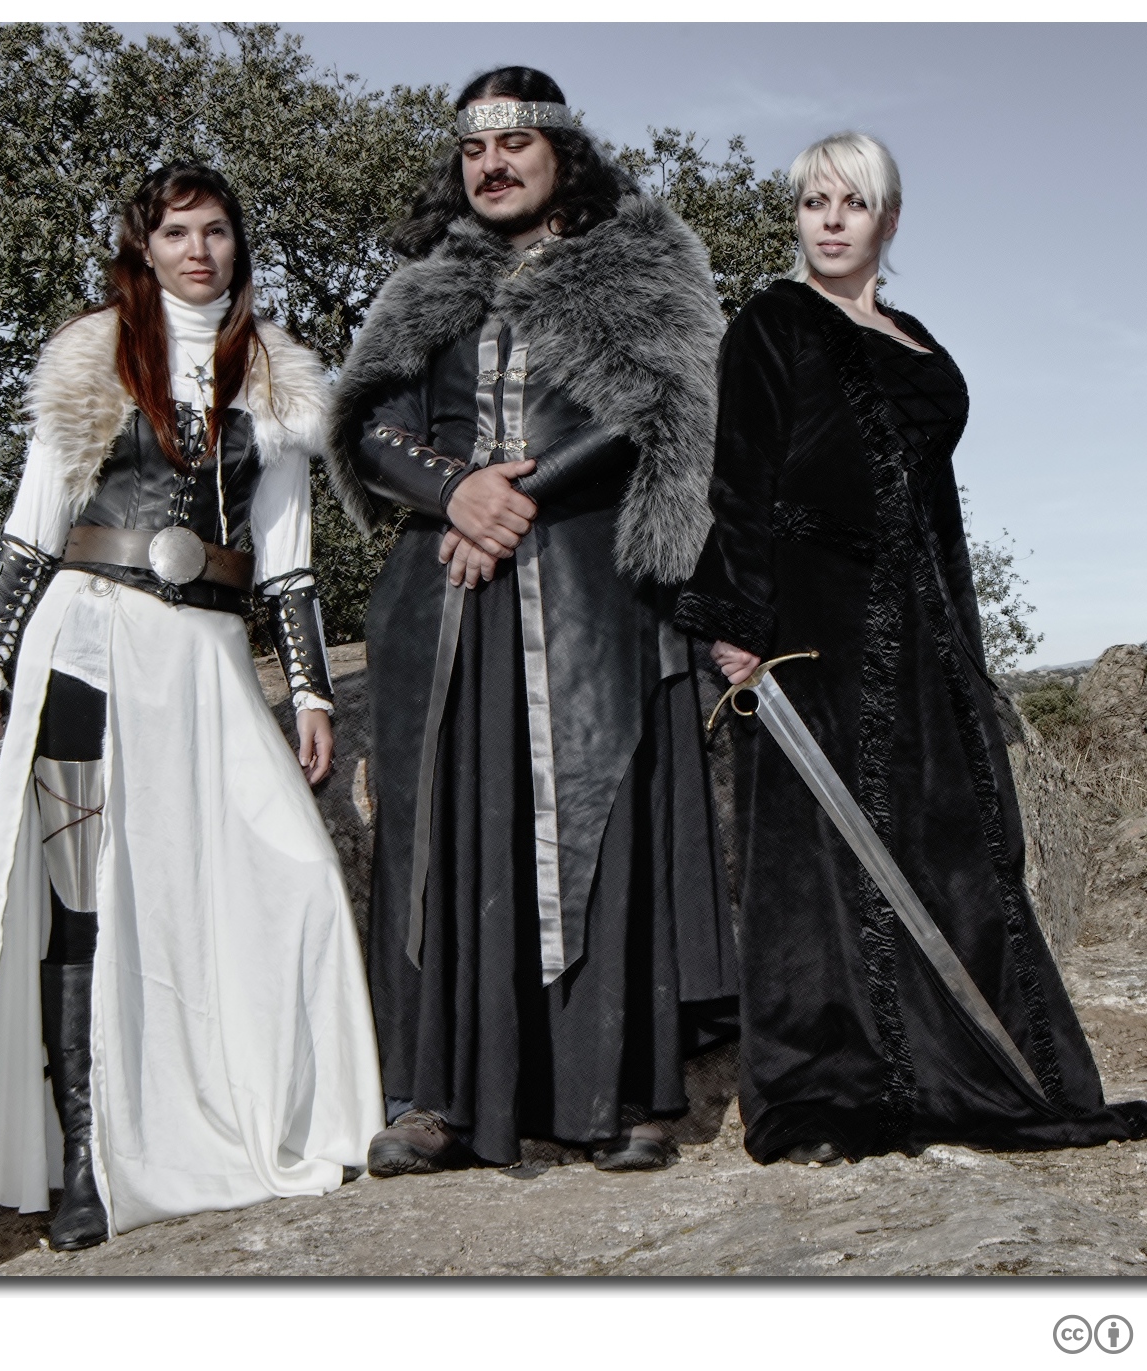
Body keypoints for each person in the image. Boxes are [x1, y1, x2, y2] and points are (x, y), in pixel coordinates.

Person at [0, 163, 384, 1250]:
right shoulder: (90, 358)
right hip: (89, 641)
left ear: (238, 246)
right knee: (82, 898)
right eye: (176, 232)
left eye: (216, 230)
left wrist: (308, 687)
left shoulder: (276, 380)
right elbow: (35, 522)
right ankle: (85, 1164)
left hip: (209, 654)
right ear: (142, 247)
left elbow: (287, 561)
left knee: (297, 876)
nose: (198, 250)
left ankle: (272, 1116)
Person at [673, 132, 1147, 1165]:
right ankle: (824, 1091)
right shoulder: (770, 321)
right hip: (810, 624)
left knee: (950, 847)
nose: (830, 219)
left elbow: (938, 514)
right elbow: (740, 476)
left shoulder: (916, 339)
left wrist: (965, 653)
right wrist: (737, 623)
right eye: (813, 202)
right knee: (814, 867)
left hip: (917, 623)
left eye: (852, 202)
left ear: (887, 219)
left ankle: (987, 1074)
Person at [325, 67, 737, 1175]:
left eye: (514, 142)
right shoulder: (424, 287)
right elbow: (365, 425)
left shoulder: (644, 265)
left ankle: (617, 1098)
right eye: (472, 148)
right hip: (443, 597)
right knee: (441, 836)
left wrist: (517, 493)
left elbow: (656, 404)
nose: (491, 163)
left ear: (562, 153)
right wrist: (455, 491)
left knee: (596, 821)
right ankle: (437, 1101)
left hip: (590, 593)